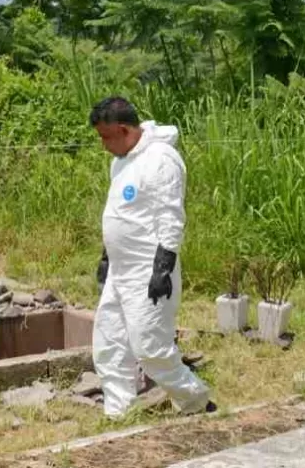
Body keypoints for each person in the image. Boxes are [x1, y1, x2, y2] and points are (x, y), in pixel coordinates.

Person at [90, 97, 214, 418]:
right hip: (121, 269)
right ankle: (119, 410)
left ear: (123, 129)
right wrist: (108, 256)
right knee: (109, 342)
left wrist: (163, 268)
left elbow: (170, 216)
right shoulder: (120, 161)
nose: (103, 145)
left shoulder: (162, 160)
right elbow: (120, 212)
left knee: (150, 348)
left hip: (148, 270)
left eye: (106, 137)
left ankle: (195, 400)